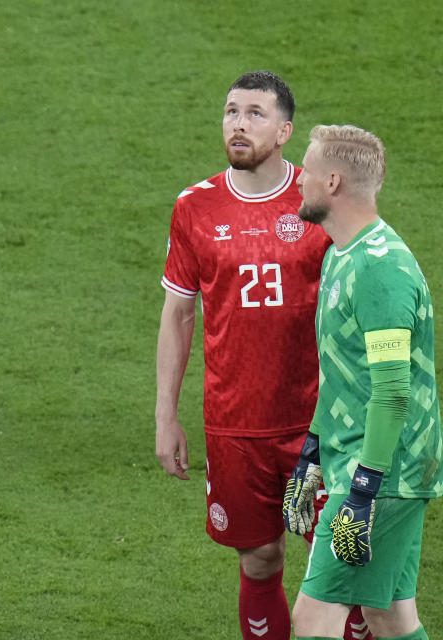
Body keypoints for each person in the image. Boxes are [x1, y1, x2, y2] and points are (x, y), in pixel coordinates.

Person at [154, 71, 374, 640]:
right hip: (235, 424)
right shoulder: (194, 209)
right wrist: (165, 416)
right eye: (231, 111)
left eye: (255, 113)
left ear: (284, 131)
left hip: (320, 423)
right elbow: (179, 314)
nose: (238, 123)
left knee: (347, 570)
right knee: (259, 561)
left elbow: (370, 296)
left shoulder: (321, 202)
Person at [284, 124, 442, 640]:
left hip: (383, 474)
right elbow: (343, 370)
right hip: (372, 466)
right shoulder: (342, 253)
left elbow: (392, 392)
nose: (298, 181)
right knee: (390, 618)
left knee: (313, 619)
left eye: (305, 170)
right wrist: (312, 448)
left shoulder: (380, 270)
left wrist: (362, 493)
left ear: (332, 182)